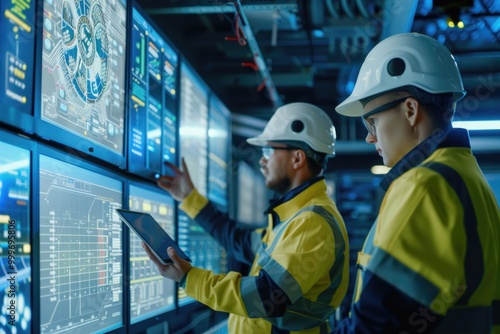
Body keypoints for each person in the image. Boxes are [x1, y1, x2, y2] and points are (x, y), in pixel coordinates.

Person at [331, 32, 500, 333]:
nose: (370, 136)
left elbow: (376, 326)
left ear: (410, 110)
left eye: (372, 121)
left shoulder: (425, 186)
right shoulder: (465, 176)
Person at [143, 102, 350, 333]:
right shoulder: (294, 217)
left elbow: (267, 297)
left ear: (297, 158)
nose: (262, 160)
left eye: (269, 151)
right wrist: (190, 199)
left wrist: (189, 278)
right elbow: (240, 241)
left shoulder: (312, 223)